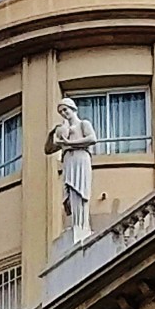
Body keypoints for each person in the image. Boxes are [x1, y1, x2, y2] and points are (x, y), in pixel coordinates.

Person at [45, 98, 98, 244]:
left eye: (65, 109)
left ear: (73, 108)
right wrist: (51, 135)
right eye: (61, 111)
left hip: (81, 158)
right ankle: (75, 223)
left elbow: (92, 139)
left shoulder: (83, 124)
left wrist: (70, 144)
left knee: (80, 192)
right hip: (68, 160)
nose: (64, 113)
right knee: (69, 194)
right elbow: (48, 150)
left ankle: (82, 225)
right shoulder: (64, 130)